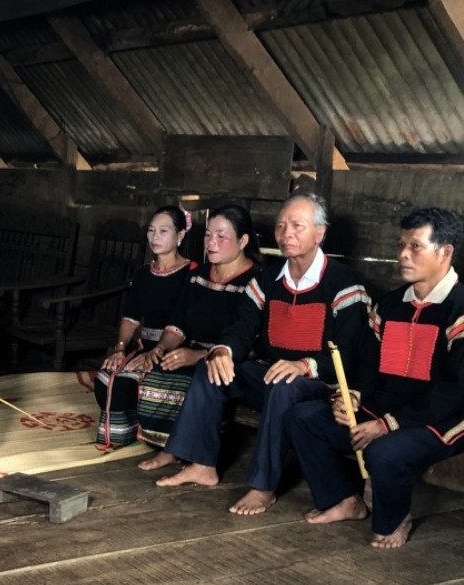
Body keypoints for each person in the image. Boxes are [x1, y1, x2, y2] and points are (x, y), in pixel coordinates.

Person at [287, 208, 464, 548]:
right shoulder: (389, 305)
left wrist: (386, 425)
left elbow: (459, 391)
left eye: (415, 246)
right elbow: (368, 368)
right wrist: (354, 396)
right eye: (401, 245)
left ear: (445, 252)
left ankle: (394, 519)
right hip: (386, 407)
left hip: (447, 416)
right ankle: (342, 500)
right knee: (305, 417)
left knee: (384, 452)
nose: (402, 254)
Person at [157, 193, 372, 516]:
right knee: (211, 367)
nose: (286, 234)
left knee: (284, 384)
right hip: (274, 376)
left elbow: (351, 351)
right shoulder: (268, 279)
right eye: (281, 226)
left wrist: (303, 365)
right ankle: (202, 465)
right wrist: (223, 351)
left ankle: (263, 486)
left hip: (322, 385)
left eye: (297, 226)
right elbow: (241, 326)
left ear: (319, 233)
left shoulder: (345, 284)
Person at [136, 205, 262, 471]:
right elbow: (178, 324)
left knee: (196, 378)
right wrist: (162, 347)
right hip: (191, 349)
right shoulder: (197, 277)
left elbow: (250, 340)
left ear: (243, 241)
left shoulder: (256, 282)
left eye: (221, 236)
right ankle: (170, 448)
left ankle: (182, 450)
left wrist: (199, 356)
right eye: (207, 235)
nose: (211, 242)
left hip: (232, 359)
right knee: (158, 370)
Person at [93, 206, 196, 449]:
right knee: (106, 375)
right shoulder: (142, 274)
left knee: (129, 382)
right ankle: (122, 434)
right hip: (145, 345)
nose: (155, 237)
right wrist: (120, 348)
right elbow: (131, 317)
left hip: (176, 347)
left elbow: (183, 321)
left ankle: (160, 440)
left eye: (163, 231)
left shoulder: (192, 274)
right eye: (151, 230)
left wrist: (157, 351)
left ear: (180, 235)